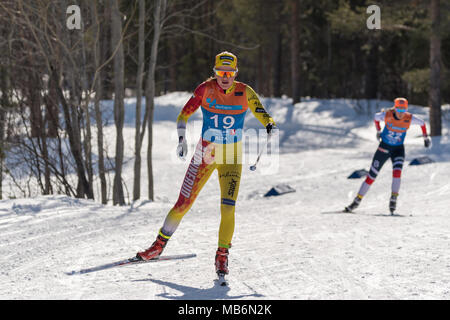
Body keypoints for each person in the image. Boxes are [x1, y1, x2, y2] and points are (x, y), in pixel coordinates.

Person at [136, 51, 276, 278]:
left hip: (231, 157)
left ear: (235, 74)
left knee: (228, 207)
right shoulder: (205, 89)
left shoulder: (245, 91)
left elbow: (262, 113)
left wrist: (270, 124)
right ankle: (158, 246)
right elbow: (183, 115)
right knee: (183, 203)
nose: (225, 77)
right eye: (221, 72)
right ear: (215, 73)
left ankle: (222, 255)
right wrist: (182, 138)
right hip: (206, 153)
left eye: (229, 73)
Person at [345, 97, 431, 214]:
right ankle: (357, 200)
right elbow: (376, 117)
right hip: (384, 148)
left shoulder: (409, 118)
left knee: (397, 173)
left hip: (398, 149)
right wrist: (378, 131)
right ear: (395, 109)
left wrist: (426, 137)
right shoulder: (387, 115)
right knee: (372, 176)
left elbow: (422, 123)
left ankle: (393, 199)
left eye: (403, 110)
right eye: (399, 110)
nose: (401, 113)